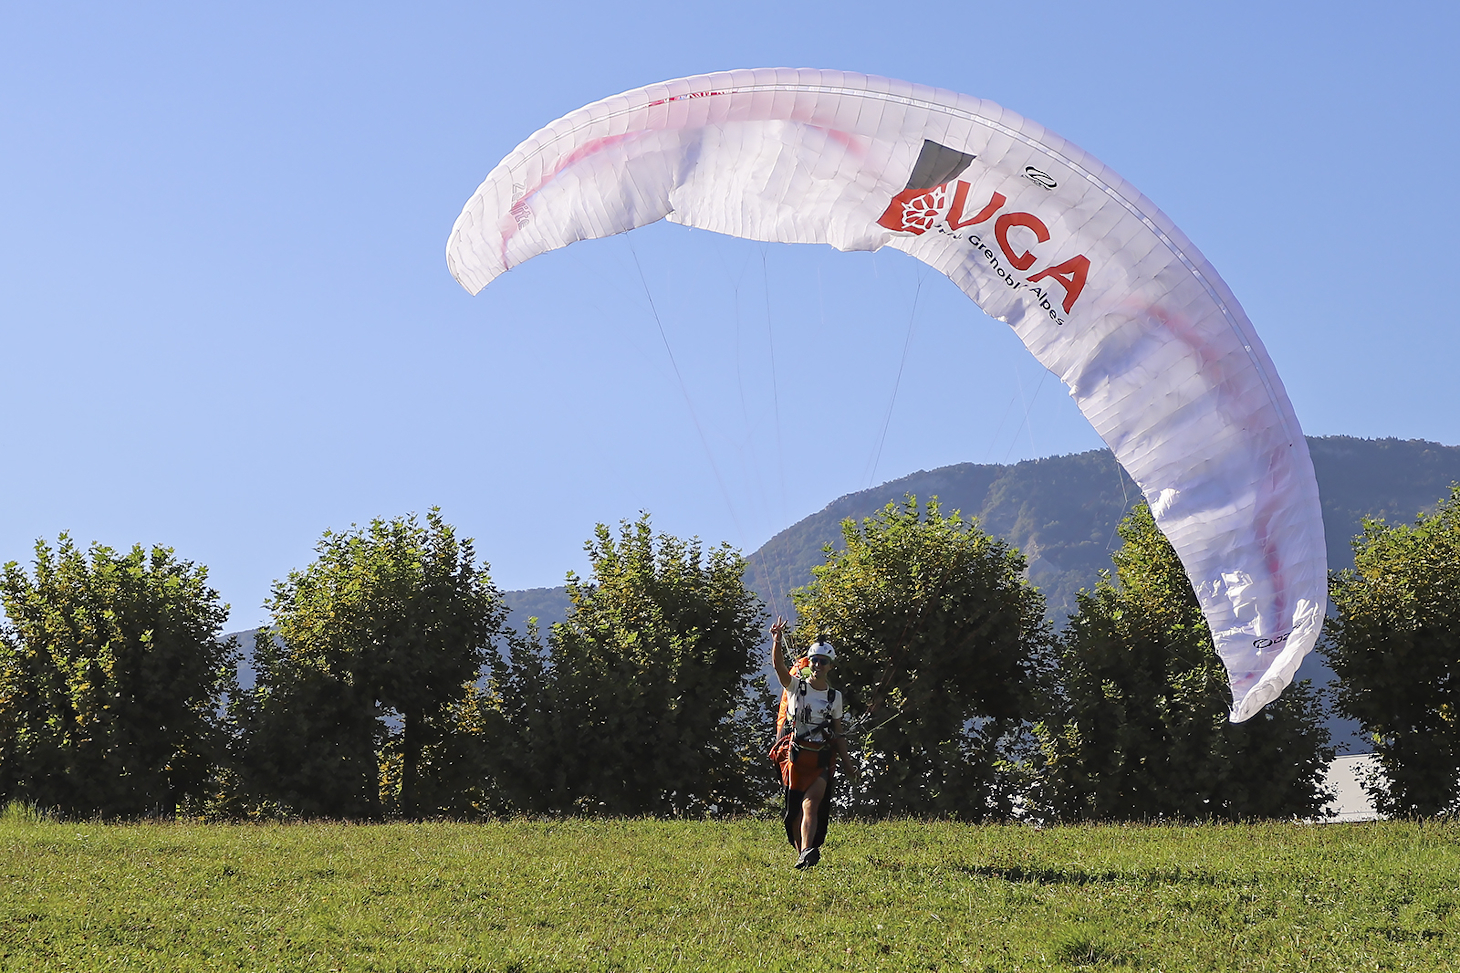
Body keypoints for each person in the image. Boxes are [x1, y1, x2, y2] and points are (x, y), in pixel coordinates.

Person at [769, 616, 856, 869]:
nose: (818, 665)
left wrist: (849, 765)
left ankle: (808, 850)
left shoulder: (834, 697)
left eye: (823, 662)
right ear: (810, 662)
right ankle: (802, 854)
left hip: (819, 758)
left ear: (830, 666)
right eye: (815, 660)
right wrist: (777, 641)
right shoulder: (797, 687)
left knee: (812, 804)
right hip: (796, 758)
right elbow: (779, 667)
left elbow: (838, 733)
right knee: (793, 813)